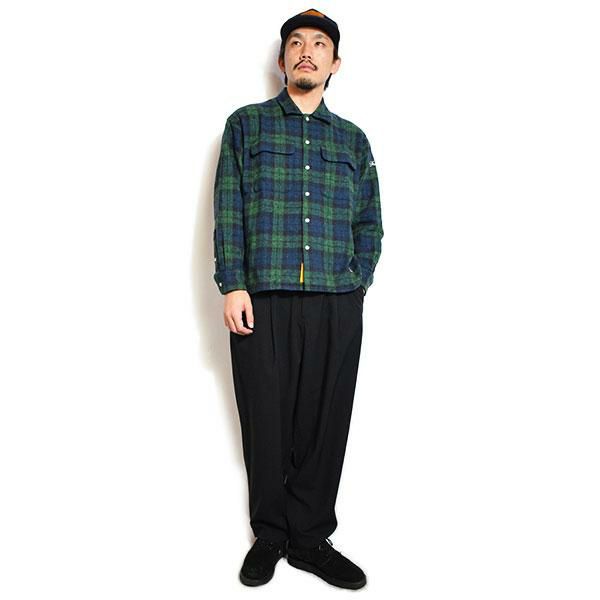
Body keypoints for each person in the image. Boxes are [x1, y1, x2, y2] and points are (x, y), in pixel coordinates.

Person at [212, 8, 383, 590]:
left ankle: (310, 540)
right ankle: (270, 535)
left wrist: (358, 282)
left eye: (319, 44)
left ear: (335, 64)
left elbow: (370, 221)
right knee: (264, 421)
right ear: (283, 59)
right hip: (262, 298)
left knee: (324, 422)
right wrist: (233, 282)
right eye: (295, 43)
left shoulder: (353, 140)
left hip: (336, 300)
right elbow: (229, 207)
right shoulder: (247, 126)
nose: (306, 51)